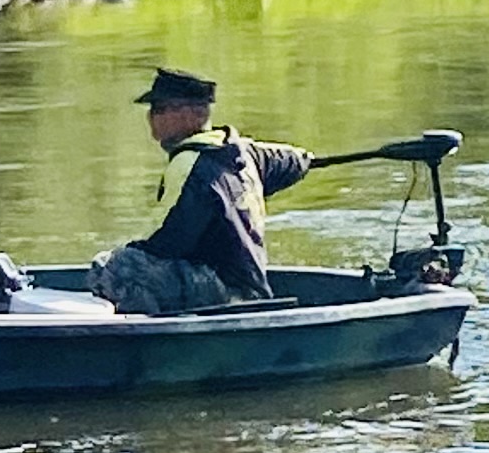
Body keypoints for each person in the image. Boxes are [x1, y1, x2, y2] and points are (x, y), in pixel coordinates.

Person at [88, 70, 322, 313]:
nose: (150, 117)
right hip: (252, 289)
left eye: (159, 108)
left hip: (224, 297)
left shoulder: (189, 164)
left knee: (113, 266)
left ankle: (149, 337)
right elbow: (291, 160)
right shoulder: (245, 152)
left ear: (192, 114)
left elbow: (168, 241)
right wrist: (305, 159)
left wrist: (123, 257)